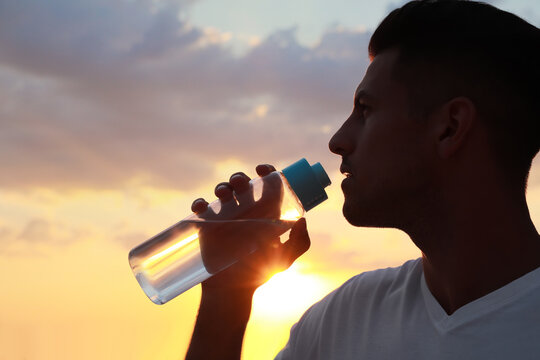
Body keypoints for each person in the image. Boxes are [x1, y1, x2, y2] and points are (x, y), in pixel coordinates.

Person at [185, 0, 540, 359]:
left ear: (450, 128)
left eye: (365, 110)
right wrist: (226, 299)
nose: (338, 140)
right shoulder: (342, 321)